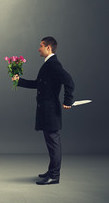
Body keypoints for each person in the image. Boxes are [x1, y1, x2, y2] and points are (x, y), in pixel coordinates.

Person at [12, 36, 75, 185]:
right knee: (51, 142)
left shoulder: (53, 64)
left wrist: (68, 100)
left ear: (48, 48)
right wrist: (19, 81)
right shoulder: (48, 64)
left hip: (50, 111)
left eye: (41, 46)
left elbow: (69, 80)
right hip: (47, 110)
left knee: (54, 143)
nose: (38, 48)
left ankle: (54, 175)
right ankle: (51, 171)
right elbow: (38, 84)